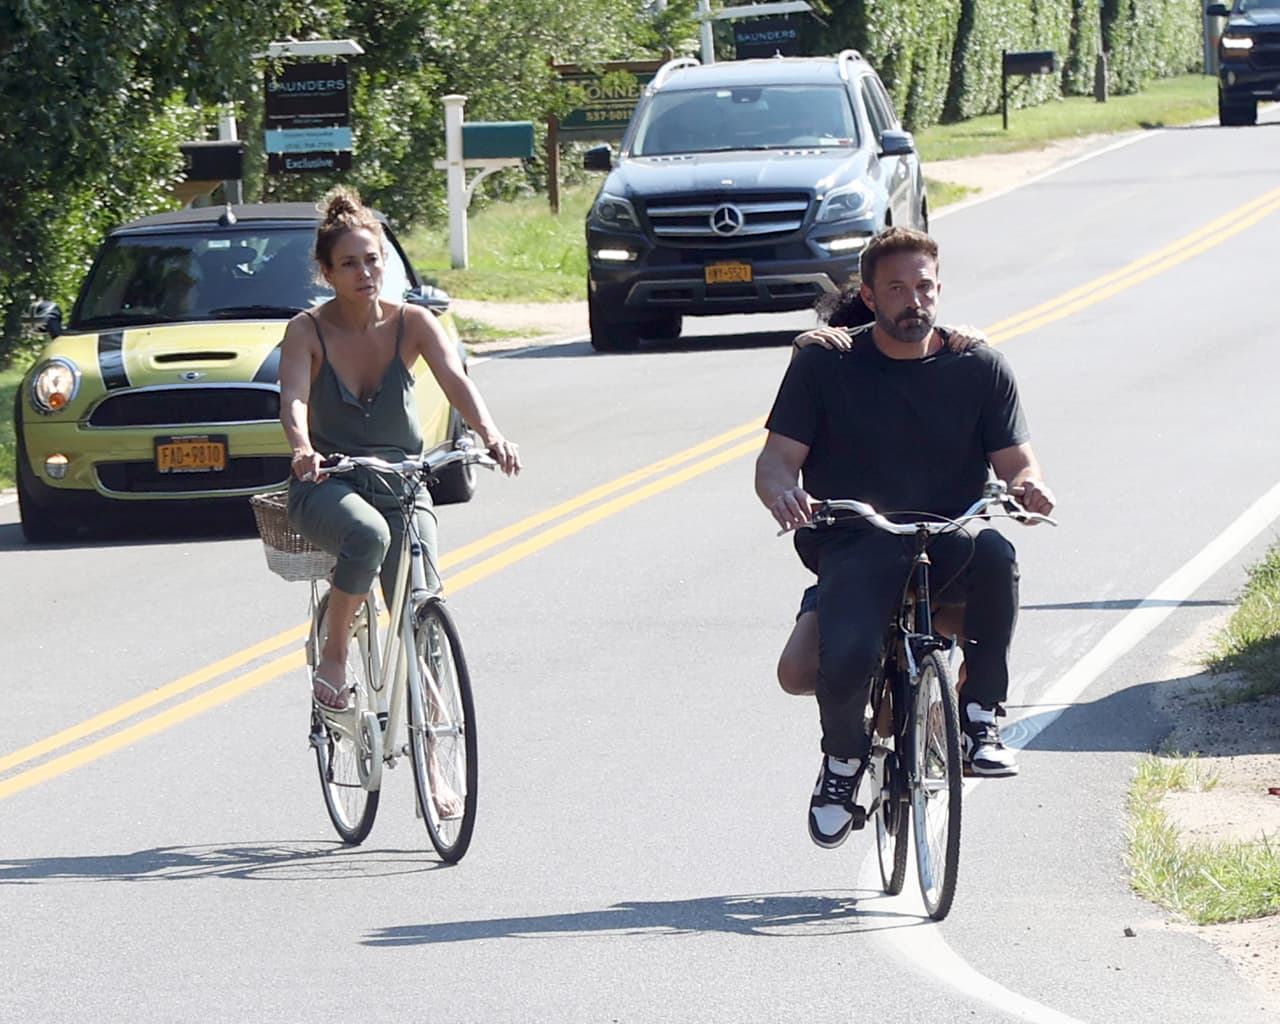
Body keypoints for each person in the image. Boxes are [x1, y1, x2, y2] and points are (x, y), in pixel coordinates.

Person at [754, 226, 1054, 849]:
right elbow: (776, 460)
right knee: (846, 657)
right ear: (868, 295)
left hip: (945, 536)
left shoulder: (977, 365)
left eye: (924, 286)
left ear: (939, 290)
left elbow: (1017, 462)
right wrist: (782, 491)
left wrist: (1027, 489)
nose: (913, 300)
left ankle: (979, 719)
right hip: (855, 540)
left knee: (997, 553)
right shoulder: (826, 362)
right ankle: (842, 763)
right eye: (896, 288)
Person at [279, 187, 521, 720]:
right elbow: (294, 398)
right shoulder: (307, 330)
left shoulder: (412, 322)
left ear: (385, 263)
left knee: (421, 599)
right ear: (327, 272)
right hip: (329, 483)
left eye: (372, 261)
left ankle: (435, 744)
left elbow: (456, 380)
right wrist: (303, 449)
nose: (364, 273)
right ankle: (335, 656)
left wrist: (489, 433)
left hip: (401, 484)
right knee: (367, 536)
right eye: (348, 264)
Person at [775, 286, 984, 698]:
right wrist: (802, 351)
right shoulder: (824, 382)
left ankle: (967, 714)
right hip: (854, 552)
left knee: (986, 620)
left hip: (929, 547)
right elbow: (783, 441)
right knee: (797, 671)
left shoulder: (928, 380)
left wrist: (968, 344)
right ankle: (863, 705)